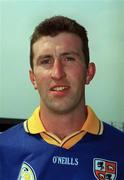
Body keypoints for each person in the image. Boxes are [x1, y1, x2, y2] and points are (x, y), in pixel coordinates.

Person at [0, 16, 124, 180]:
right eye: (46, 61)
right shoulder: (3, 149)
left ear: (89, 73)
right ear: (33, 79)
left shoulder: (120, 148)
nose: (58, 73)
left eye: (69, 59)